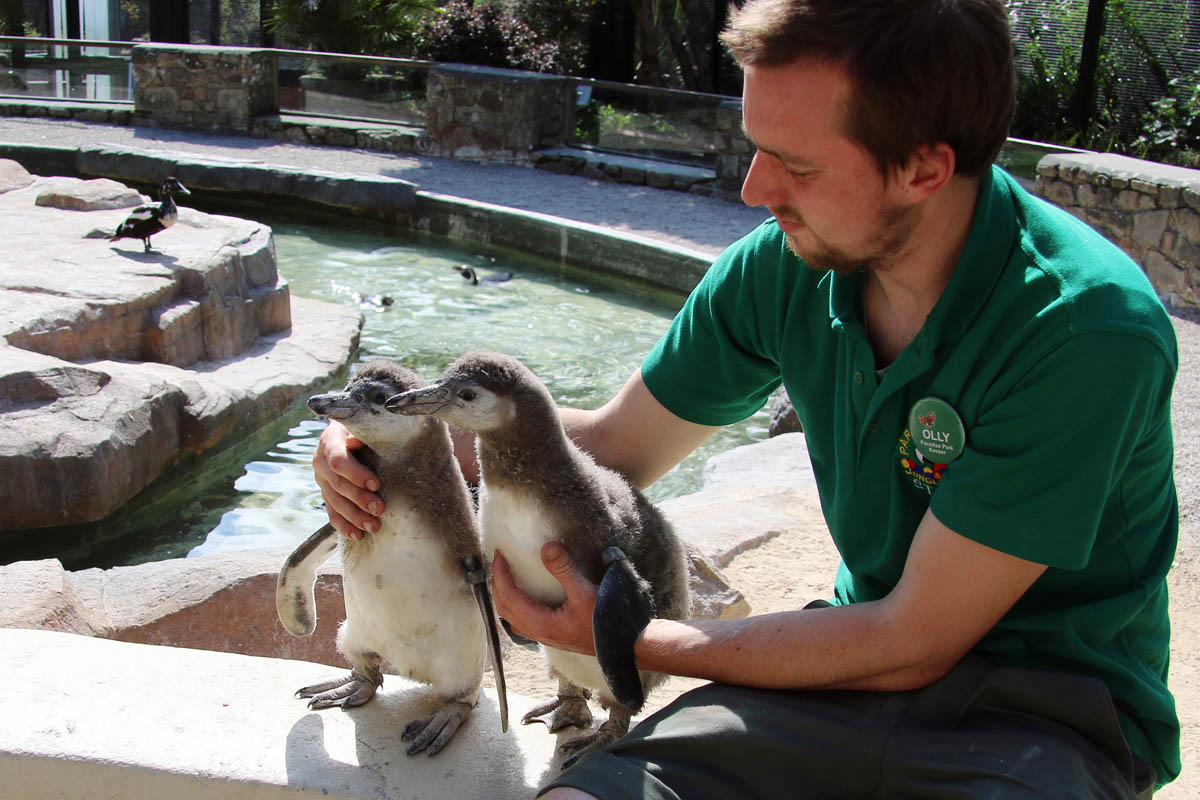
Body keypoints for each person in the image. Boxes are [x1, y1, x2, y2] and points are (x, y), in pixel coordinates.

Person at [313, 0, 1180, 796]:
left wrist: (632, 640)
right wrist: (386, 442)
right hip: (837, 678)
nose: (754, 190)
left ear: (923, 169)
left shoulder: (1084, 330)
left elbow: (913, 640)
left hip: (1050, 716)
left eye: (795, 164)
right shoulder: (785, 268)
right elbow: (611, 447)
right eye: (756, 144)